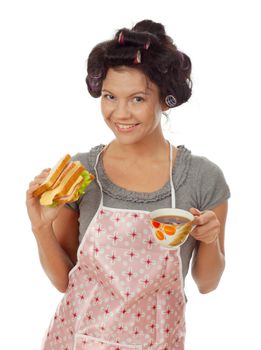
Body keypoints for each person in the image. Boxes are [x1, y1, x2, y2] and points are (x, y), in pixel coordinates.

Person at [26, 19, 230, 350]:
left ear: (166, 100)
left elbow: (207, 283)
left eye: (137, 99)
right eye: (110, 96)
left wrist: (209, 239)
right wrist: (40, 228)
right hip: (79, 341)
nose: (120, 113)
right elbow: (64, 281)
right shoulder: (81, 173)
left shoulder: (203, 178)